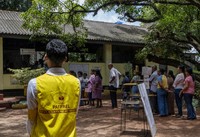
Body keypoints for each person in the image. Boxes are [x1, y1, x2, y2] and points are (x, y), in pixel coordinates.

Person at [26, 39, 81, 137]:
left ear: (45, 56)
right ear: (65, 58)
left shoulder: (35, 83)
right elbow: (74, 114)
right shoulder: (76, 82)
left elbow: (31, 118)